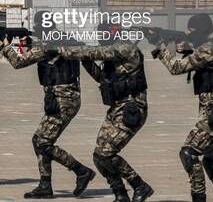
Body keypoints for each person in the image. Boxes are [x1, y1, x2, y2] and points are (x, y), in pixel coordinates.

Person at [147, 14, 213, 202]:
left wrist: (159, 45)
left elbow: (176, 68)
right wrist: (186, 47)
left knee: (189, 153)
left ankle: (198, 197)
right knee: (211, 159)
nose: (189, 34)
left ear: (200, 30)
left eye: (192, 31)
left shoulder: (209, 48)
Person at [60, 24, 153, 202]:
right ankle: (120, 193)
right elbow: (102, 78)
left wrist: (71, 50)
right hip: (117, 108)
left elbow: (95, 52)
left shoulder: (124, 47)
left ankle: (139, 185)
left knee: (107, 153)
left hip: (132, 108)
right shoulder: (113, 51)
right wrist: (86, 62)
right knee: (98, 156)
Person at [0, 31, 95, 199]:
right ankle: (45, 185)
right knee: (40, 141)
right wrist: (28, 43)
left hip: (62, 100)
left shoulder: (47, 45)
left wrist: (5, 43)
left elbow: (18, 62)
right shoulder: (59, 39)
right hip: (61, 99)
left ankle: (81, 171)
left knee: (42, 142)